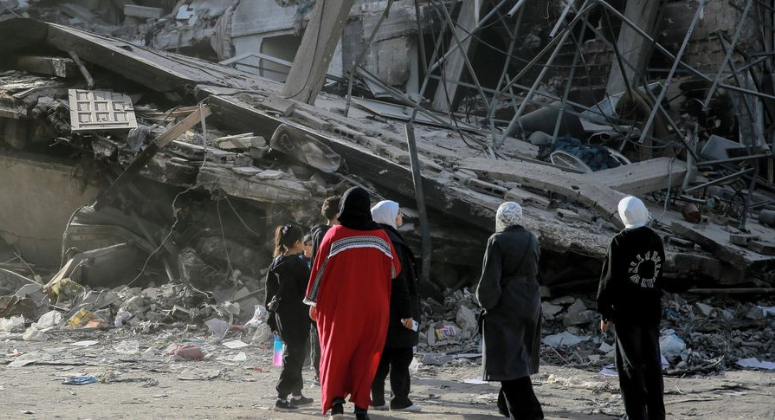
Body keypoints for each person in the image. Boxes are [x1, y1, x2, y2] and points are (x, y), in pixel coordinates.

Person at [305, 187, 401, 420]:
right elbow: (394, 271)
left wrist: (312, 301)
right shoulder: (381, 236)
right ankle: (361, 409)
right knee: (365, 355)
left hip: (339, 307)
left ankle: (336, 405)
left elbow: (318, 272)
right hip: (373, 307)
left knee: (335, 354)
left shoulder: (334, 234)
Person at [597, 196, 665, 420]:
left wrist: (605, 312)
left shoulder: (619, 242)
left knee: (630, 366)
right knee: (652, 364)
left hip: (627, 314)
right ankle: (656, 414)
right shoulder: (655, 239)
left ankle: (636, 414)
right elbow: (659, 275)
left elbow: (609, 279)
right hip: (651, 311)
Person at [475, 202, 544, 420]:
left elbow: (490, 279)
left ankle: (529, 413)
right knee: (519, 357)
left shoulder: (497, 240)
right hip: (530, 302)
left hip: (506, 305)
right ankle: (504, 407)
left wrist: (485, 303)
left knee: (507, 363)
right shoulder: (532, 239)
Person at [369, 201, 422, 413]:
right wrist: (407, 313)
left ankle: (377, 398)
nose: (401, 217)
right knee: (401, 355)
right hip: (396, 309)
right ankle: (400, 400)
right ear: (389, 216)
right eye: (399, 213)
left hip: (379, 308)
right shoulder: (392, 242)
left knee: (380, 355)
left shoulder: (375, 238)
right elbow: (399, 280)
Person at [265, 224, 314, 411]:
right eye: (302, 241)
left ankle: (297, 394)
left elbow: (268, 294)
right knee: (294, 356)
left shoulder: (275, 263)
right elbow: (309, 292)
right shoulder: (299, 265)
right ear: (296, 243)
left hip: (281, 316)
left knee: (295, 354)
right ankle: (282, 397)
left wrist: (271, 319)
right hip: (298, 317)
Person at [309, 195, 340, 385]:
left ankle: (323, 372)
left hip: (320, 292)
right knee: (321, 333)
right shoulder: (327, 234)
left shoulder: (318, 232)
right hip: (324, 292)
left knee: (320, 333)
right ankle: (321, 374)